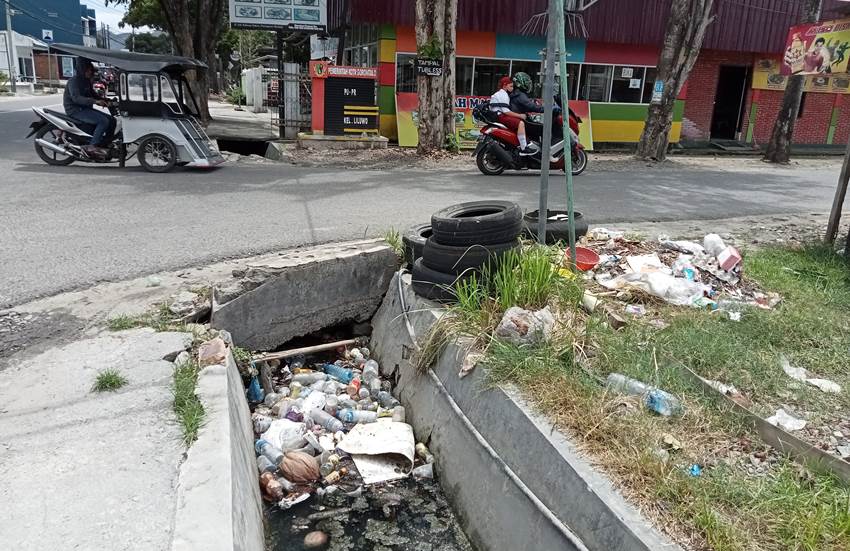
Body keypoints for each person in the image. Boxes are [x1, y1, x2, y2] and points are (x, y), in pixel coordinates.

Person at [63, 59, 113, 156]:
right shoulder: (73, 81)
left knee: (112, 120)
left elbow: (93, 94)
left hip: (85, 109)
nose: (91, 72)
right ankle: (92, 146)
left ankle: (105, 143)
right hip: (76, 111)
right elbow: (76, 98)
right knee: (103, 121)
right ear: (83, 70)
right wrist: (95, 101)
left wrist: (106, 100)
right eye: (89, 70)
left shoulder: (86, 81)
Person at [489, 76, 538, 155]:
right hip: (501, 117)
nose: (512, 88)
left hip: (498, 116)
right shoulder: (503, 94)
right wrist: (520, 116)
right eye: (511, 86)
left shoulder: (499, 94)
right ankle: (524, 148)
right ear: (505, 86)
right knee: (520, 123)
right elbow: (506, 112)